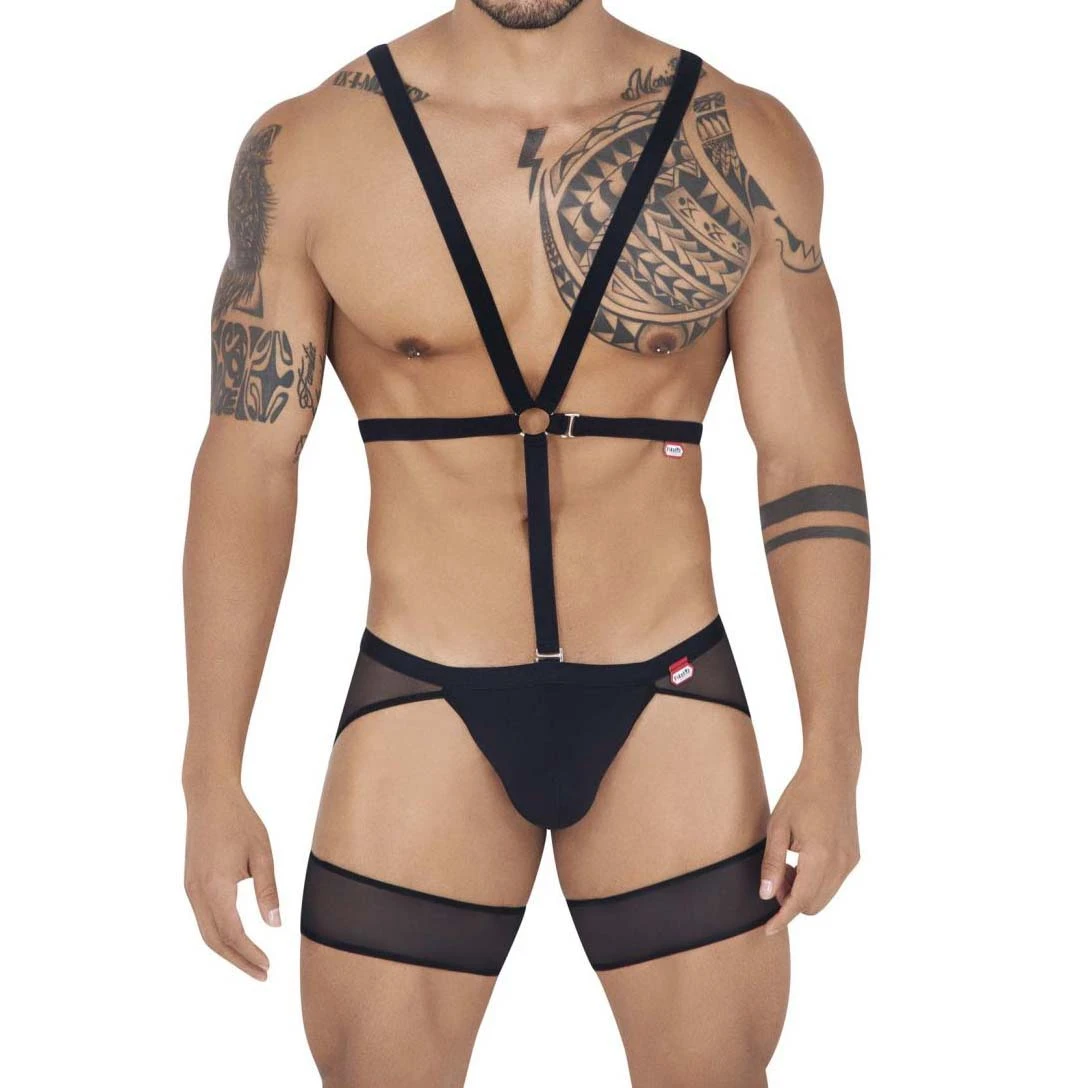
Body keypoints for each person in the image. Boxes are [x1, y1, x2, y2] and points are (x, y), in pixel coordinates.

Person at [182, 1, 868, 1083]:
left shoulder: (740, 138)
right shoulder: (315, 148)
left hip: (668, 686)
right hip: (425, 685)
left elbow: (805, 457)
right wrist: (209, 771)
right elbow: (250, 465)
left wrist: (833, 753)